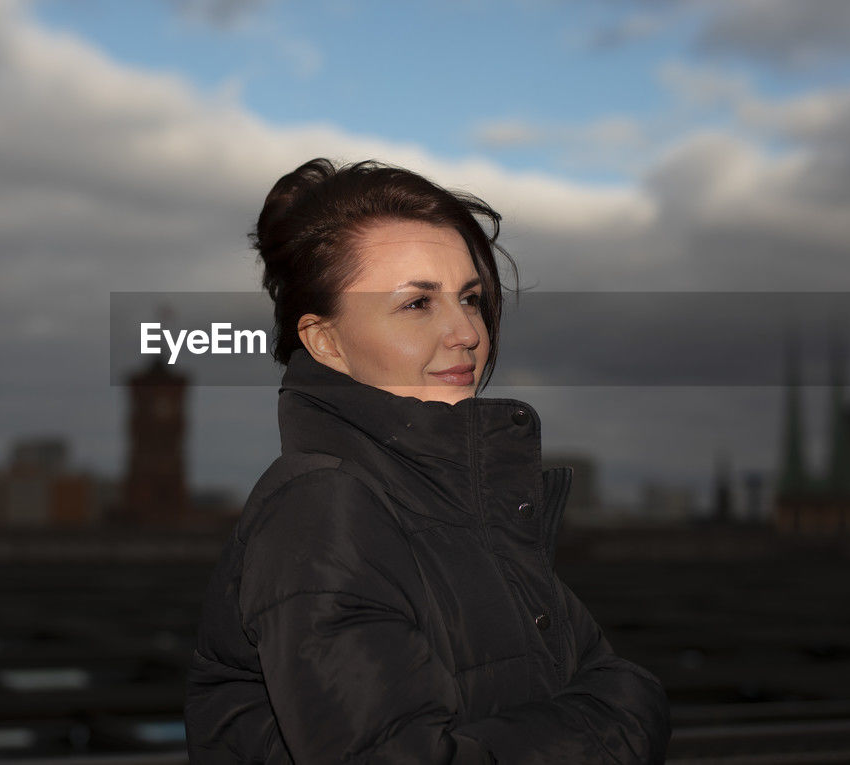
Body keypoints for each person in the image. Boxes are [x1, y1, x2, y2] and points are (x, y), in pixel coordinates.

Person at [185, 158, 670, 763]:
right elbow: (621, 694)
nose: (466, 330)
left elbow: (602, 673)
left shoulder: (462, 503)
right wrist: (618, 725)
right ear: (325, 342)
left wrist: (616, 702)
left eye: (470, 298)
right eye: (417, 304)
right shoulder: (321, 509)